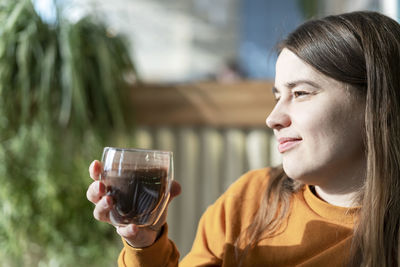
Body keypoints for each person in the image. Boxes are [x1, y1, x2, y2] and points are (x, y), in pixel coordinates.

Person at [86, 11, 400, 266]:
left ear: (376, 103)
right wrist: (145, 243)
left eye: (301, 93)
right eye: (278, 95)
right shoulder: (249, 201)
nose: (273, 118)